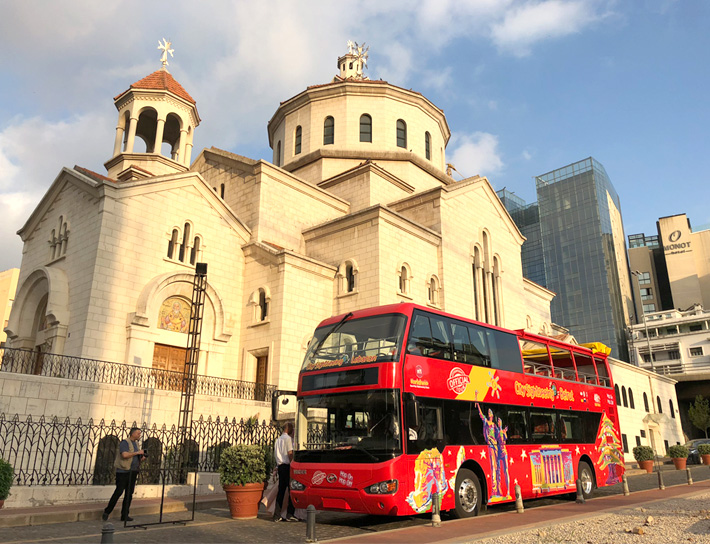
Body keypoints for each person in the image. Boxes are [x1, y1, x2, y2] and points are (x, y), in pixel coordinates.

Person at [102, 427, 145, 522]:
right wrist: (137, 452)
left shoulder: (136, 444)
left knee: (129, 494)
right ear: (132, 434)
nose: (139, 435)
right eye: (138, 433)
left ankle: (125, 515)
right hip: (123, 471)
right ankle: (107, 511)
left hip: (133, 471)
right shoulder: (125, 442)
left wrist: (141, 457)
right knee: (119, 491)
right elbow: (124, 455)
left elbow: (134, 456)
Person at [273, 422, 297, 522]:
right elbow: (290, 453)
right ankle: (290, 513)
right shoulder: (288, 439)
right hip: (288, 466)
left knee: (281, 491)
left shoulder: (278, 440)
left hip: (280, 466)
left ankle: (277, 514)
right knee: (292, 489)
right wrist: (293, 463)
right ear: (289, 429)